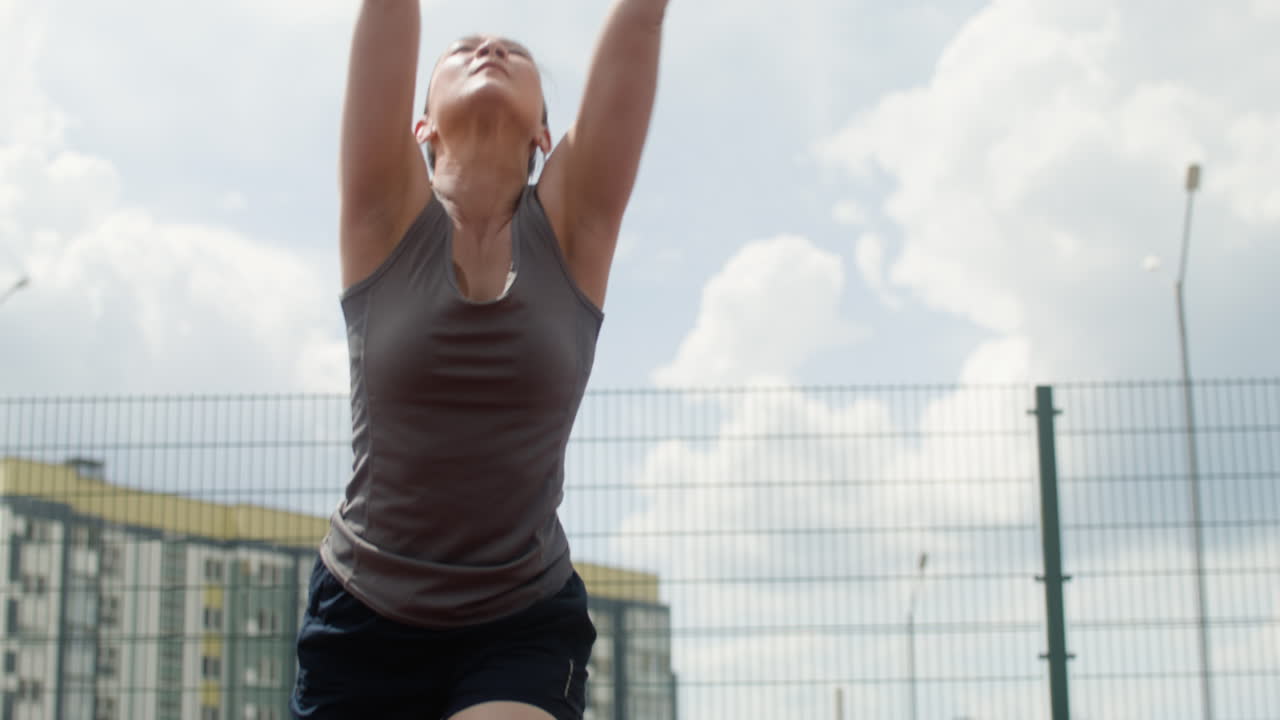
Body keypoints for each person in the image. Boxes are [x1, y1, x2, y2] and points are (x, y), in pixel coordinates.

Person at [290, 0, 668, 718]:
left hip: (519, 617)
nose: (489, 47)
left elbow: (641, 19)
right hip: (364, 616)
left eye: (513, 51)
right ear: (422, 126)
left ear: (545, 135)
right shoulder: (382, 215)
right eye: (463, 48)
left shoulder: (574, 227)